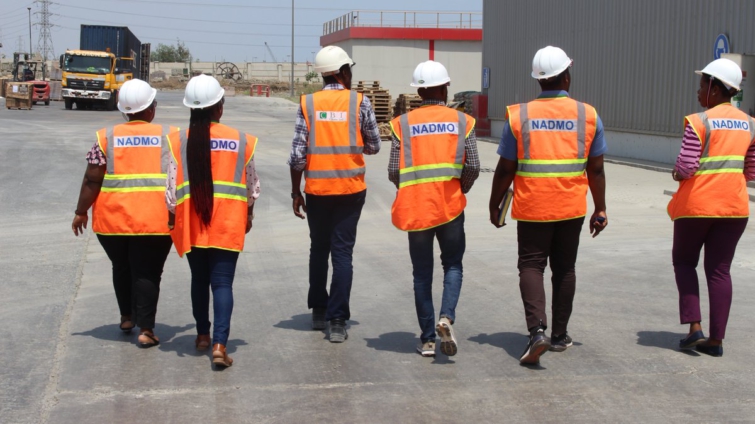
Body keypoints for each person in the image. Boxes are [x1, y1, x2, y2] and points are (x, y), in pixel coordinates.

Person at [488, 46, 608, 365]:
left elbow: (505, 168)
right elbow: (596, 169)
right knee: (564, 269)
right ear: (566, 76)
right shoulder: (588, 115)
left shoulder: (519, 115)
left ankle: (536, 332)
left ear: (538, 80)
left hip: (532, 206)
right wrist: (600, 208)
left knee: (531, 266)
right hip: (570, 206)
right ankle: (558, 335)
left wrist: (494, 203)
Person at [71, 78, 177, 348]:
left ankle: (127, 318)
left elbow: (92, 179)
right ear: (151, 108)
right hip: (155, 221)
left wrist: (81, 211)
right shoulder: (171, 136)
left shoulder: (106, 137)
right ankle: (146, 330)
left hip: (112, 222)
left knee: (121, 267)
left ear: (124, 111)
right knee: (148, 273)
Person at [166, 75, 260, 367]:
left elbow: (171, 192)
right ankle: (220, 345)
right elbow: (251, 187)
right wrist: (249, 214)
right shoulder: (242, 139)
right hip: (228, 222)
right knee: (222, 283)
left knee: (199, 279)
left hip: (192, 224)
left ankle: (202, 336)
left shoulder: (179, 140)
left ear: (191, 109)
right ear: (219, 106)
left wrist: (173, 220)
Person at [288, 45, 381, 343]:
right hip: (350, 191)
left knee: (319, 249)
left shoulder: (308, 103)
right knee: (342, 253)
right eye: (349, 69)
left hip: (317, 191)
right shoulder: (360, 102)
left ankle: (319, 311)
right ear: (342, 72)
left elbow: (297, 156)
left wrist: (295, 192)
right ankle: (338, 321)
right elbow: (374, 146)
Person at [388, 61, 480, 357]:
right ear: (445, 88)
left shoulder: (402, 124)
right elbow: (473, 165)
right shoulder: (462, 121)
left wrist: (411, 188)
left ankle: (428, 340)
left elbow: (393, 170)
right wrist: (460, 188)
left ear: (419, 92)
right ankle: (446, 318)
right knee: (452, 265)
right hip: (450, 206)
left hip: (416, 208)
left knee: (421, 274)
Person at [668, 58, 755, 357]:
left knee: (684, 262)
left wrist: (677, 174)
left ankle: (695, 327)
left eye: (702, 84)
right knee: (719, 271)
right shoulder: (750, 124)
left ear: (715, 89)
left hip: (697, 206)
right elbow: (751, 171)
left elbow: (686, 166)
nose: (699, 90)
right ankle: (716, 341)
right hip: (734, 208)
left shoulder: (699, 121)